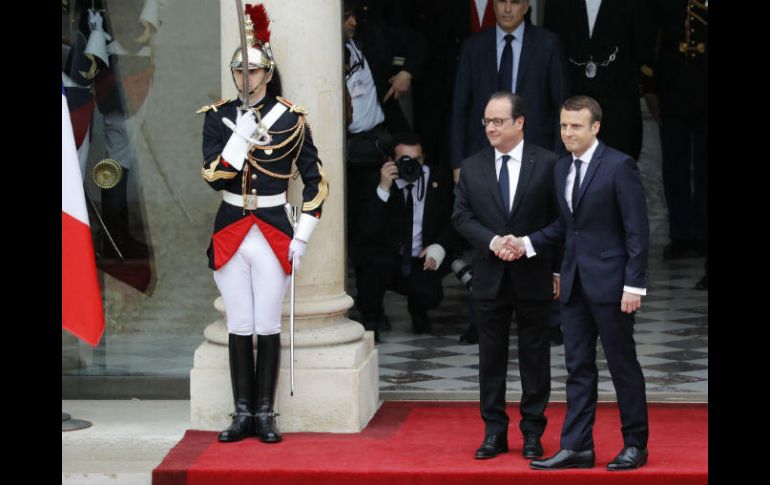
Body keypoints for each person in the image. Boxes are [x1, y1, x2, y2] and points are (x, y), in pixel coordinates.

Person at [198, 3, 328, 443]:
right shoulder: (217, 118)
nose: (246, 79)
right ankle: (242, 413)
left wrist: (304, 236)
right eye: (240, 72)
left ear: (267, 74)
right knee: (239, 323)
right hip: (231, 223)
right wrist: (239, 137)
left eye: (254, 72)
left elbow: (316, 182)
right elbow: (214, 176)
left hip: (274, 227)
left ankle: (266, 414)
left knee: (267, 323)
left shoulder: (291, 118)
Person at [508, 96, 648, 471]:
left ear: (595, 128)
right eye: (564, 126)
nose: (568, 133)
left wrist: (634, 285)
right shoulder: (561, 168)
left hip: (612, 285)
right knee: (578, 368)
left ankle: (635, 444)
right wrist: (527, 243)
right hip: (573, 285)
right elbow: (565, 227)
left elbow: (637, 230)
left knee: (623, 366)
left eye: (576, 126)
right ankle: (578, 447)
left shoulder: (620, 166)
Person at [452, 92, 560, 461]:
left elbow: (560, 219)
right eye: (487, 121)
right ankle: (493, 432)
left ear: (520, 122)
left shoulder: (547, 163)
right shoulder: (472, 165)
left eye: (499, 121)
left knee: (535, 357)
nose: (491, 128)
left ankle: (533, 432)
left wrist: (543, 256)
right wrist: (494, 241)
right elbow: (461, 217)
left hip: (534, 273)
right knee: (490, 358)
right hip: (490, 276)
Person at [450, 0, 569, 184]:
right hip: (482, 155)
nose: (507, 9)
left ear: (526, 6)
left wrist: (558, 162)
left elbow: (561, 108)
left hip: (536, 156)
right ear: (493, 5)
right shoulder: (473, 46)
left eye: (514, 2)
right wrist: (458, 163)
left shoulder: (548, 44)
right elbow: (459, 108)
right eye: (501, 2)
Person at [353, 132, 454, 341]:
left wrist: (439, 246)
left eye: (417, 160)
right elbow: (365, 230)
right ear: (392, 161)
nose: (412, 165)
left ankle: (419, 311)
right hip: (388, 256)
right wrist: (383, 188)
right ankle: (372, 319)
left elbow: (453, 220)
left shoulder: (438, 180)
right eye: (405, 160)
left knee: (430, 294)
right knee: (371, 263)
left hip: (421, 258)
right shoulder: (377, 180)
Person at [543, 0, 654, 161]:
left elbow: (643, 49)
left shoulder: (634, 4)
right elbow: (551, 49)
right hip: (572, 110)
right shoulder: (558, 4)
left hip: (618, 112)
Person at [642, 0, 707, 260]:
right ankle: (679, 235)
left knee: (704, 167)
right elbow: (649, 36)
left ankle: (702, 235)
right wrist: (648, 87)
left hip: (705, 85)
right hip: (672, 86)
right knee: (674, 165)